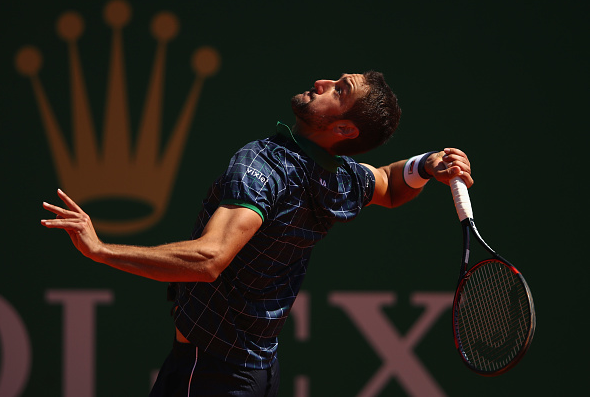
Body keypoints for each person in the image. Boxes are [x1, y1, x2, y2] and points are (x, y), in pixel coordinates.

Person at [42, 71, 473, 397]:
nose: (322, 82)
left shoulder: (262, 167)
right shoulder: (340, 179)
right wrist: (428, 164)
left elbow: (209, 259)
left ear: (344, 130)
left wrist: (101, 250)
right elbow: (391, 183)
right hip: (252, 370)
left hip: (212, 373)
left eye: (339, 90)